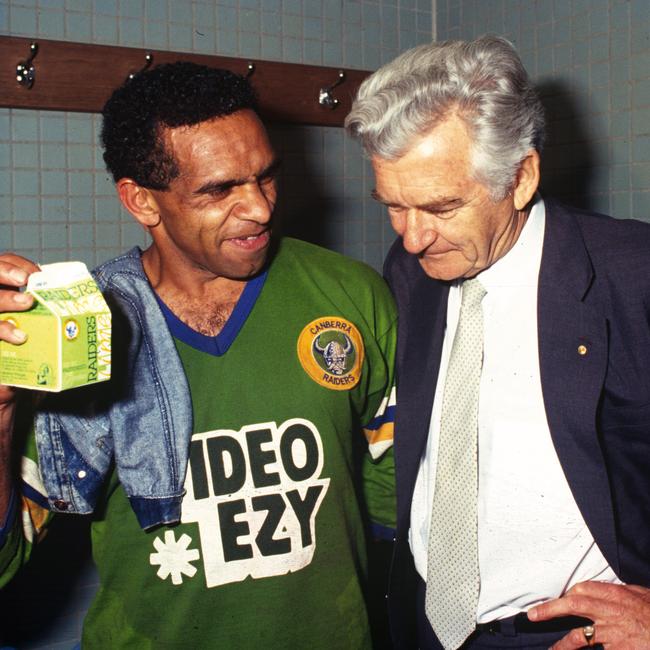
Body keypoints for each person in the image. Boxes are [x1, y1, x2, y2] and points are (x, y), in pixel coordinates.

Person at [0, 62, 397, 648]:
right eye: (219, 190)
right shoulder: (81, 334)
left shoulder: (351, 295)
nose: (260, 208)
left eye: (266, 177)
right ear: (142, 201)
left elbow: (397, 504)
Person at [345, 35, 650, 650]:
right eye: (392, 207)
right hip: (426, 626)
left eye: (439, 205)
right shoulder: (411, 271)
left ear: (520, 177)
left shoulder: (634, 273)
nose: (411, 237)